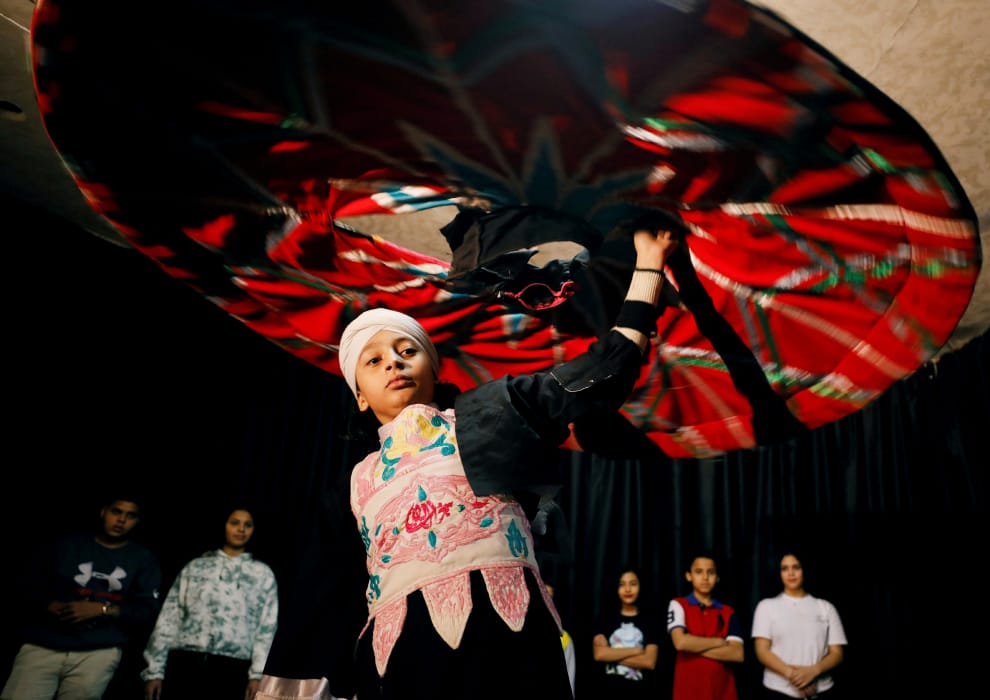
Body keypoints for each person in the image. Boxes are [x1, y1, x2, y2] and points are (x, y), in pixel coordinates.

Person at [333, 226, 680, 700]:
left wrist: (649, 262)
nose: (393, 362)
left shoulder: (491, 413)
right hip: (403, 658)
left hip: (509, 641)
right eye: (372, 361)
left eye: (407, 350)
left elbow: (607, 368)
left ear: (434, 367)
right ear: (358, 396)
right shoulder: (357, 482)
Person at [0, 493, 162, 700]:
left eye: (130, 516)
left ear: (137, 521)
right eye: (116, 512)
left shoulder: (143, 559)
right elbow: (25, 585)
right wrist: (49, 605)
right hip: (43, 644)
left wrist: (102, 610)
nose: (121, 520)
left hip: (98, 650)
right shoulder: (66, 544)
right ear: (103, 512)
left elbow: (147, 610)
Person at [141, 506, 279, 700]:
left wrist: (257, 675)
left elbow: (266, 629)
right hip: (185, 661)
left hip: (232, 668)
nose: (241, 529)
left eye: (248, 525)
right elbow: (169, 618)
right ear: (223, 525)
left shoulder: (262, 574)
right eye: (234, 523)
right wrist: (154, 671)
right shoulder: (196, 567)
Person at [751, 551, 847, 699]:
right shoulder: (766, 606)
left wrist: (813, 672)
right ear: (779, 573)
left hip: (821, 689)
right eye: (785, 568)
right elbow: (762, 651)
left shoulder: (826, 607)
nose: (791, 573)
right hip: (777, 690)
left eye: (796, 567)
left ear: (805, 569)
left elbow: (837, 654)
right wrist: (796, 677)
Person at [666, 552, 744, 700]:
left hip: (723, 693)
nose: (705, 577)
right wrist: (718, 642)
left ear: (717, 577)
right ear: (689, 576)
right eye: (699, 572)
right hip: (687, 693)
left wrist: (693, 646)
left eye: (711, 572)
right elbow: (680, 643)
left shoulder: (728, 611)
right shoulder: (678, 604)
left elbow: (737, 654)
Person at [591, 566, 661, 698]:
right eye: (622, 584)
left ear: (640, 586)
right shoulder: (605, 619)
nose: (628, 589)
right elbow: (599, 654)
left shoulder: (650, 622)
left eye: (633, 584)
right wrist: (636, 651)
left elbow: (649, 662)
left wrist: (611, 653)